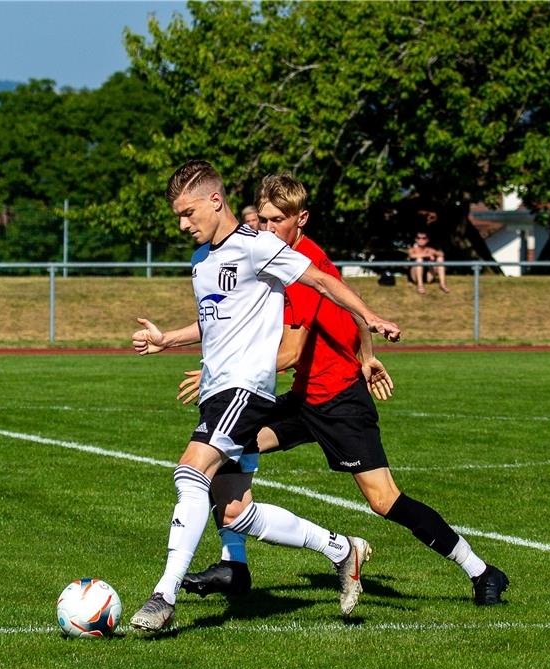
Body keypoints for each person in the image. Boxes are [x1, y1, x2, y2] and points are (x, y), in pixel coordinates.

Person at [178, 174, 508, 606]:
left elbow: (292, 351)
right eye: (264, 219)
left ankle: (482, 571)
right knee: (223, 454)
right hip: (302, 400)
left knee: (385, 500)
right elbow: (350, 304)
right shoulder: (278, 257)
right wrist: (366, 354)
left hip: (339, 402)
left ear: (302, 219)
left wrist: (222, 372)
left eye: (279, 220)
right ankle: (234, 567)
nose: (268, 228)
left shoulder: (301, 264)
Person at [128, 160, 401, 633]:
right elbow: (216, 323)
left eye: (188, 212)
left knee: (191, 470)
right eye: (177, 215)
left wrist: (370, 317)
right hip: (217, 392)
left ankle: (163, 595)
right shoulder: (201, 262)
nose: (182, 224)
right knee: (232, 510)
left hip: (245, 390)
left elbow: (320, 280)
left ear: (215, 200)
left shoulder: (258, 247)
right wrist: (166, 340)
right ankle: (343, 549)